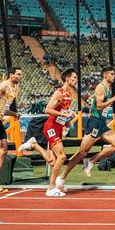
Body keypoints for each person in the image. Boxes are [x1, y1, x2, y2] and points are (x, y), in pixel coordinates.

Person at [64, 66, 115, 179]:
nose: (114, 76)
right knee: (82, 152)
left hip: (101, 122)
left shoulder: (107, 88)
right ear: (105, 75)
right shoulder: (101, 87)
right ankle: (62, 176)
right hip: (95, 122)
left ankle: (91, 161)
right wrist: (114, 98)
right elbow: (99, 106)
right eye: (111, 74)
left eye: (114, 74)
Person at [39, 69, 78, 197]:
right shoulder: (59, 93)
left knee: (55, 159)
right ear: (67, 79)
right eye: (74, 77)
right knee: (61, 157)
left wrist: (66, 121)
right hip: (50, 127)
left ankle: (55, 185)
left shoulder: (70, 94)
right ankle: (50, 188)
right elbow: (48, 109)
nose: (76, 79)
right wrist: (63, 114)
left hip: (58, 127)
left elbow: (61, 113)